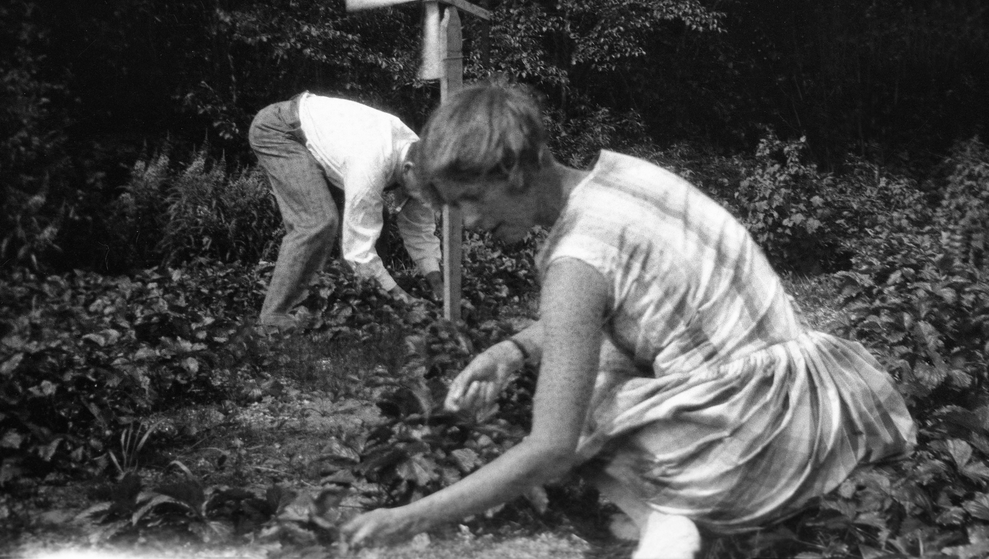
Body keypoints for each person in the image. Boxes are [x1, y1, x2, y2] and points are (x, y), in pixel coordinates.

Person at [341, 84, 916, 559]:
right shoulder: (621, 178)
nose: (467, 221)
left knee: (577, 407)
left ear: (516, 170)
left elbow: (549, 451)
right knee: (593, 365)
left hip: (751, 440)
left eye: (471, 198)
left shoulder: (574, 264)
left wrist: (408, 519)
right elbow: (619, 299)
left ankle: (669, 522)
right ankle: (675, 518)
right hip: (812, 396)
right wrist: (511, 351)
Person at [248, 92, 444, 331]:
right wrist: (403, 298)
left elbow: (420, 229)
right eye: (426, 190)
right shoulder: (371, 162)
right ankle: (274, 318)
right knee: (317, 222)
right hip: (281, 131)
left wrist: (438, 284)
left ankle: (350, 301)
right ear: (408, 169)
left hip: (320, 141)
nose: (428, 197)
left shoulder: (422, 160)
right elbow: (358, 252)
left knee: (376, 217)